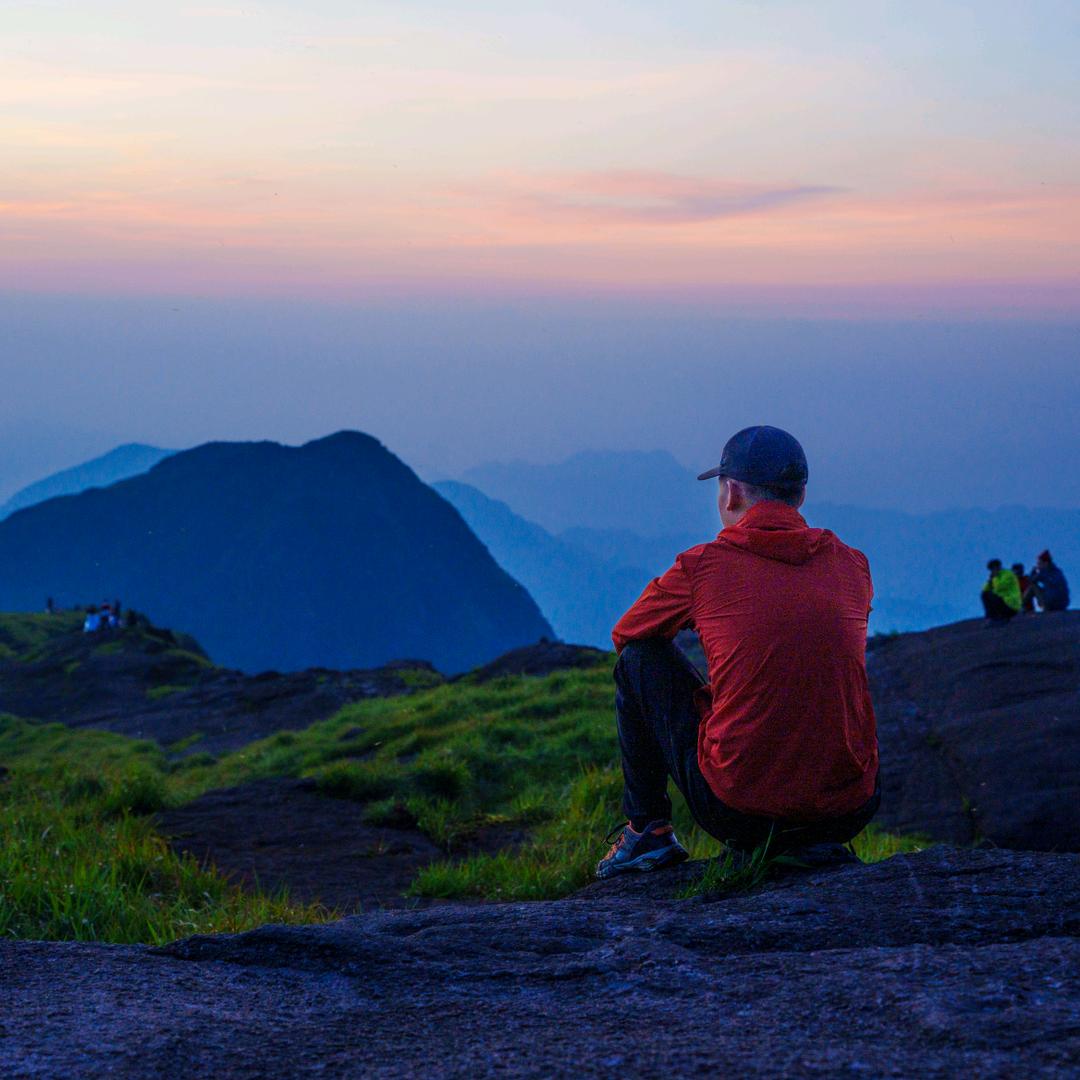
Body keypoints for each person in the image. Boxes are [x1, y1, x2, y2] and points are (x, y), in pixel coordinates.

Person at [597, 425, 880, 879]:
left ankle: (648, 831)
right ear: (800, 496)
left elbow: (628, 634)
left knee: (638, 661)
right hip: (848, 808)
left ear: (730, 493)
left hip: (741, 811)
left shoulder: (703, 565)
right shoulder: (853, 564)